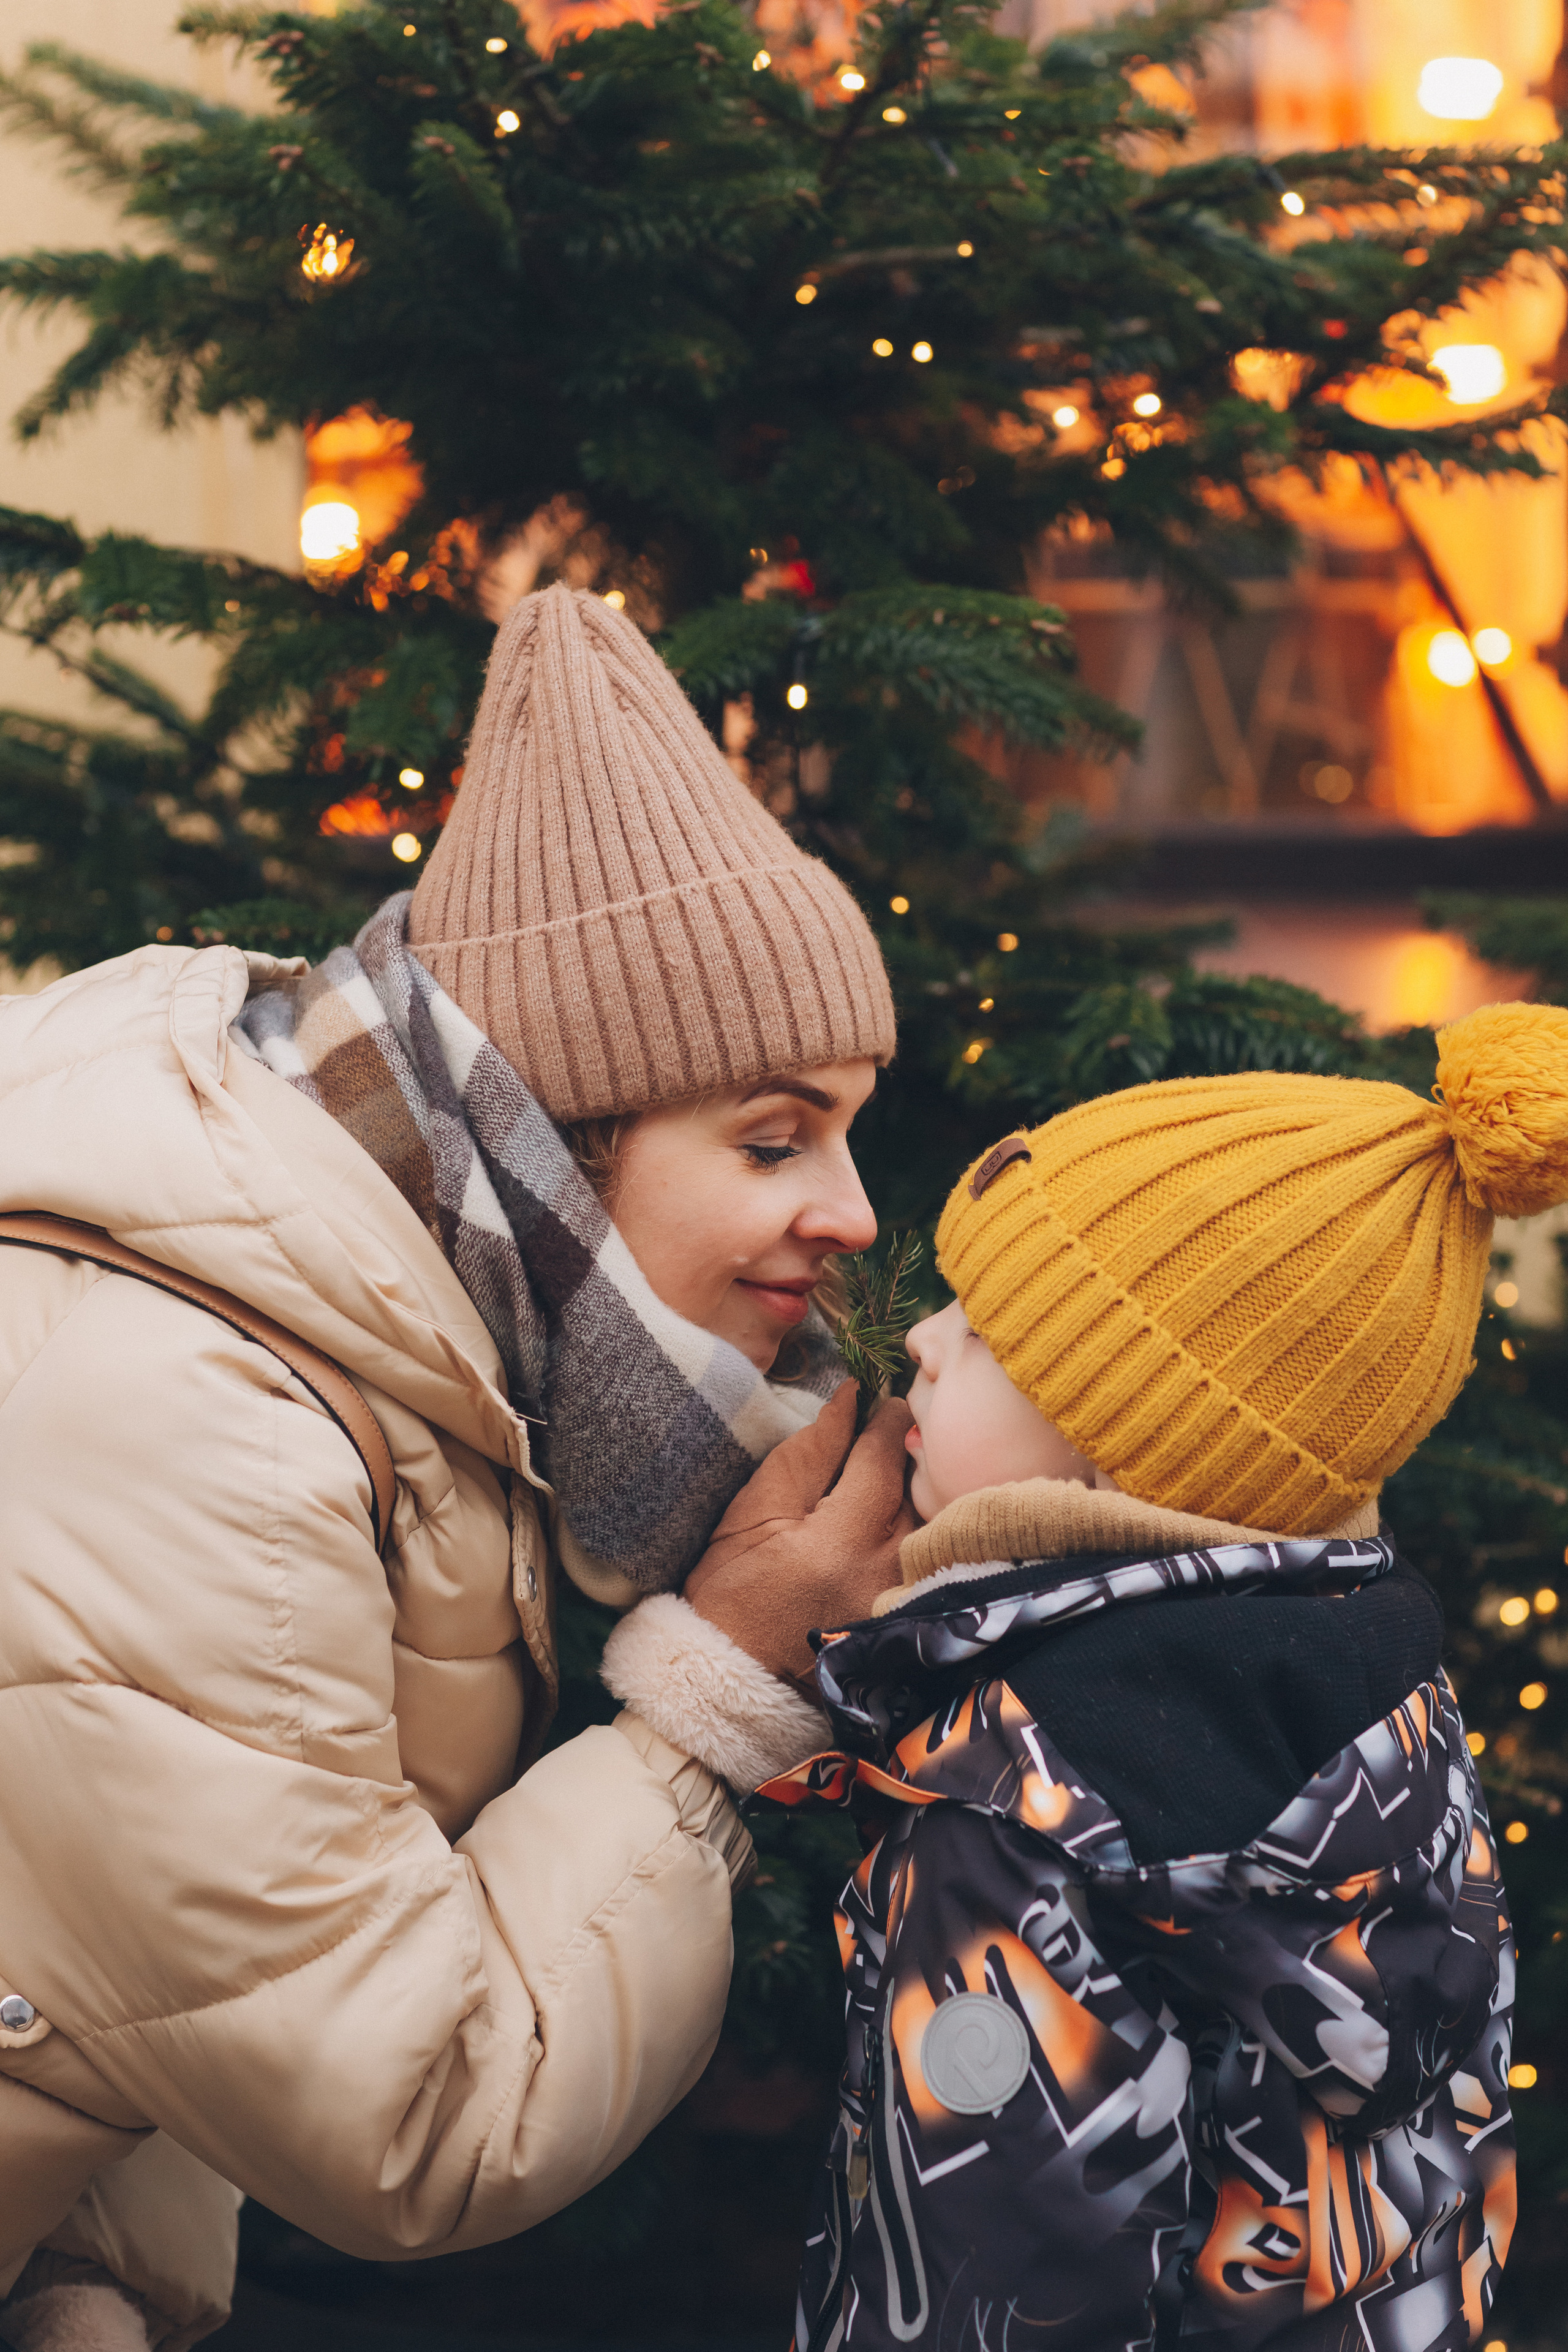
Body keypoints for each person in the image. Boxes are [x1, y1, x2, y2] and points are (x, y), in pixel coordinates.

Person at [0, 585, 914, 2352]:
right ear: (544, 1135)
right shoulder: (205, 1421)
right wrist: (716, 1693)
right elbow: (414, 2116)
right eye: (775, 1135)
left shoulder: (369, 1305)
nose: (855, 1212)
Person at [764, 1014, 1568, 2352]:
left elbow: (995, 2272)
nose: (923, 1344)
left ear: (1119, 1447)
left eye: (985, 1330)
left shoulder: (1022, 1792)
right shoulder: (1375, 1682)